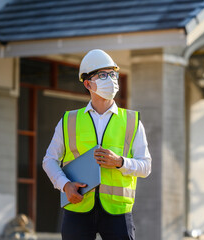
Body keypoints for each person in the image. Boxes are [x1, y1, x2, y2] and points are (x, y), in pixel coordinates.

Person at [42, 49, 151, 240]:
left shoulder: (133, 121)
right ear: (88, 83)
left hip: (118, 212)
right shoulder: (69, 121)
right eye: (103, 75)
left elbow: (146, 167)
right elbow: (49, 160)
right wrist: (65, 185)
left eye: (113, 74)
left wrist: (120, 162)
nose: (111, 79)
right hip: (78, 207)